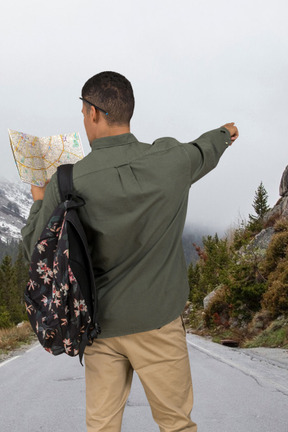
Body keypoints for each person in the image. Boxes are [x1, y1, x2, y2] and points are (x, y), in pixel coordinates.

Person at [22, 71, 239, 432]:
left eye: (82, 113)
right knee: (176, 425)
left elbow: (35, 250)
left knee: (102, 427)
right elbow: (207, 147)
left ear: (93, 113)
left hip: (100, 327)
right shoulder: (173, 160)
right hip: (159, 322)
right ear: (127, 111)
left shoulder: (67, 180)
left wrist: (40, 201)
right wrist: (226, 133)